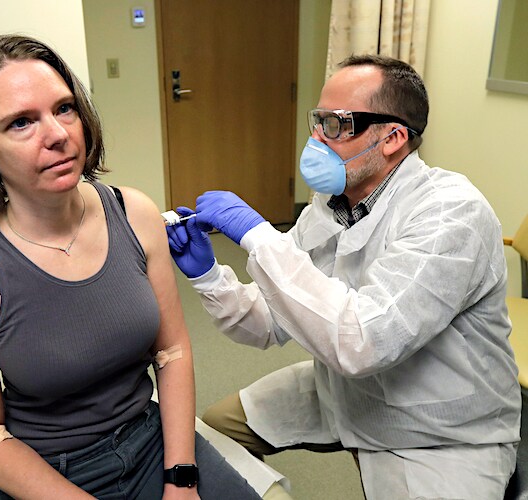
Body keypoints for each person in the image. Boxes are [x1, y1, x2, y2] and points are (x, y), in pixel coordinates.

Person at [166, 54, 522, 499]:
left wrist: (262, 239)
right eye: (318, 121)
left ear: (393, 137)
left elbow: (365, 340)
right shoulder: (329, 206)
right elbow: (269, 322)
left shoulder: (451, 213)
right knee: (217, 434)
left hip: (439, 430)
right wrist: (209, 277)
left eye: (337, 124)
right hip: (346, 392)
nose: (316, 137)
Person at [0, 34, 261, 500]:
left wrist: (181, 478)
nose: (58, 134)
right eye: (22, 122)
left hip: (152, 442)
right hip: (47, 475)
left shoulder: (135, 213)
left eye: (64, 108)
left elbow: (172, 352)